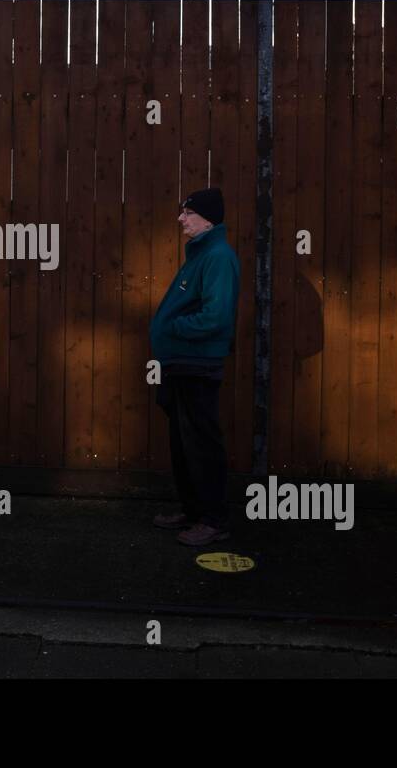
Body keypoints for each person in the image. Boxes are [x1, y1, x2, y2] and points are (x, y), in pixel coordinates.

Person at [148, 187, 241, 546]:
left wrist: (171, 328)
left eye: (187, 212)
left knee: (201, 443)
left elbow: (216, 317)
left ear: (207, 218)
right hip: (181, 364)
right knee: (183, 443)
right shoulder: (202, 254)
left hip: (196, 365)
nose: (180, 219)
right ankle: (193, 511)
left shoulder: (217, 256)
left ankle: (214, 520)